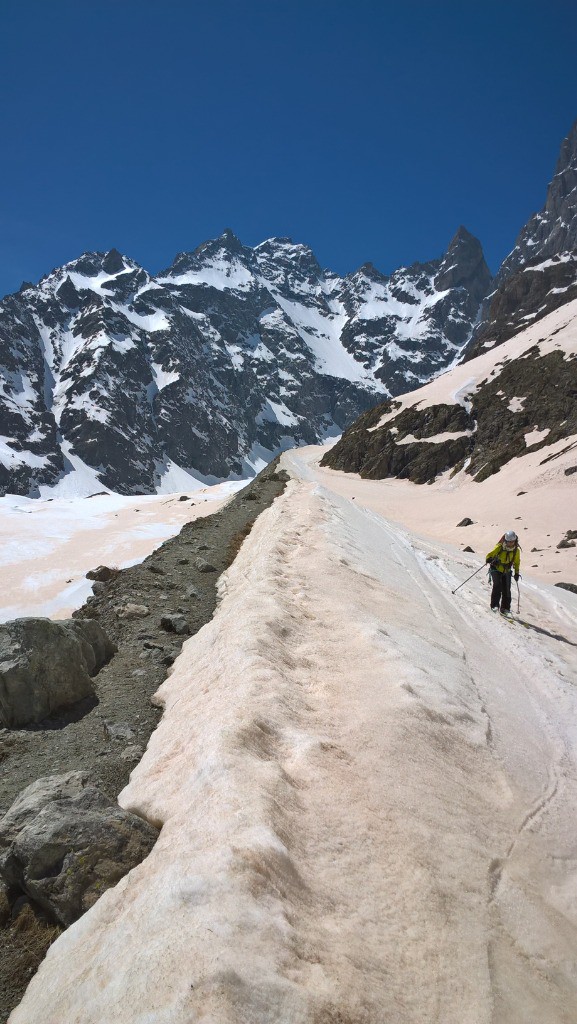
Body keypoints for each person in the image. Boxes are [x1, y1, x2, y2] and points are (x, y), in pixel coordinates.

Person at [485, 530, 521, 616]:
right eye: (509, 542)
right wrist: (490, 559)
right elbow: (489, 555)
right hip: (496, 569)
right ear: (505, 540)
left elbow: (517, 562)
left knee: (506, 589)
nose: (511, 543)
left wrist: (516, 573)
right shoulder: (499, 547)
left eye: (512, 541)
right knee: (497, 586)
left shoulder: (516, 550)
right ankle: (494, 605)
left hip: (507, 570)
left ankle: (505, 608)